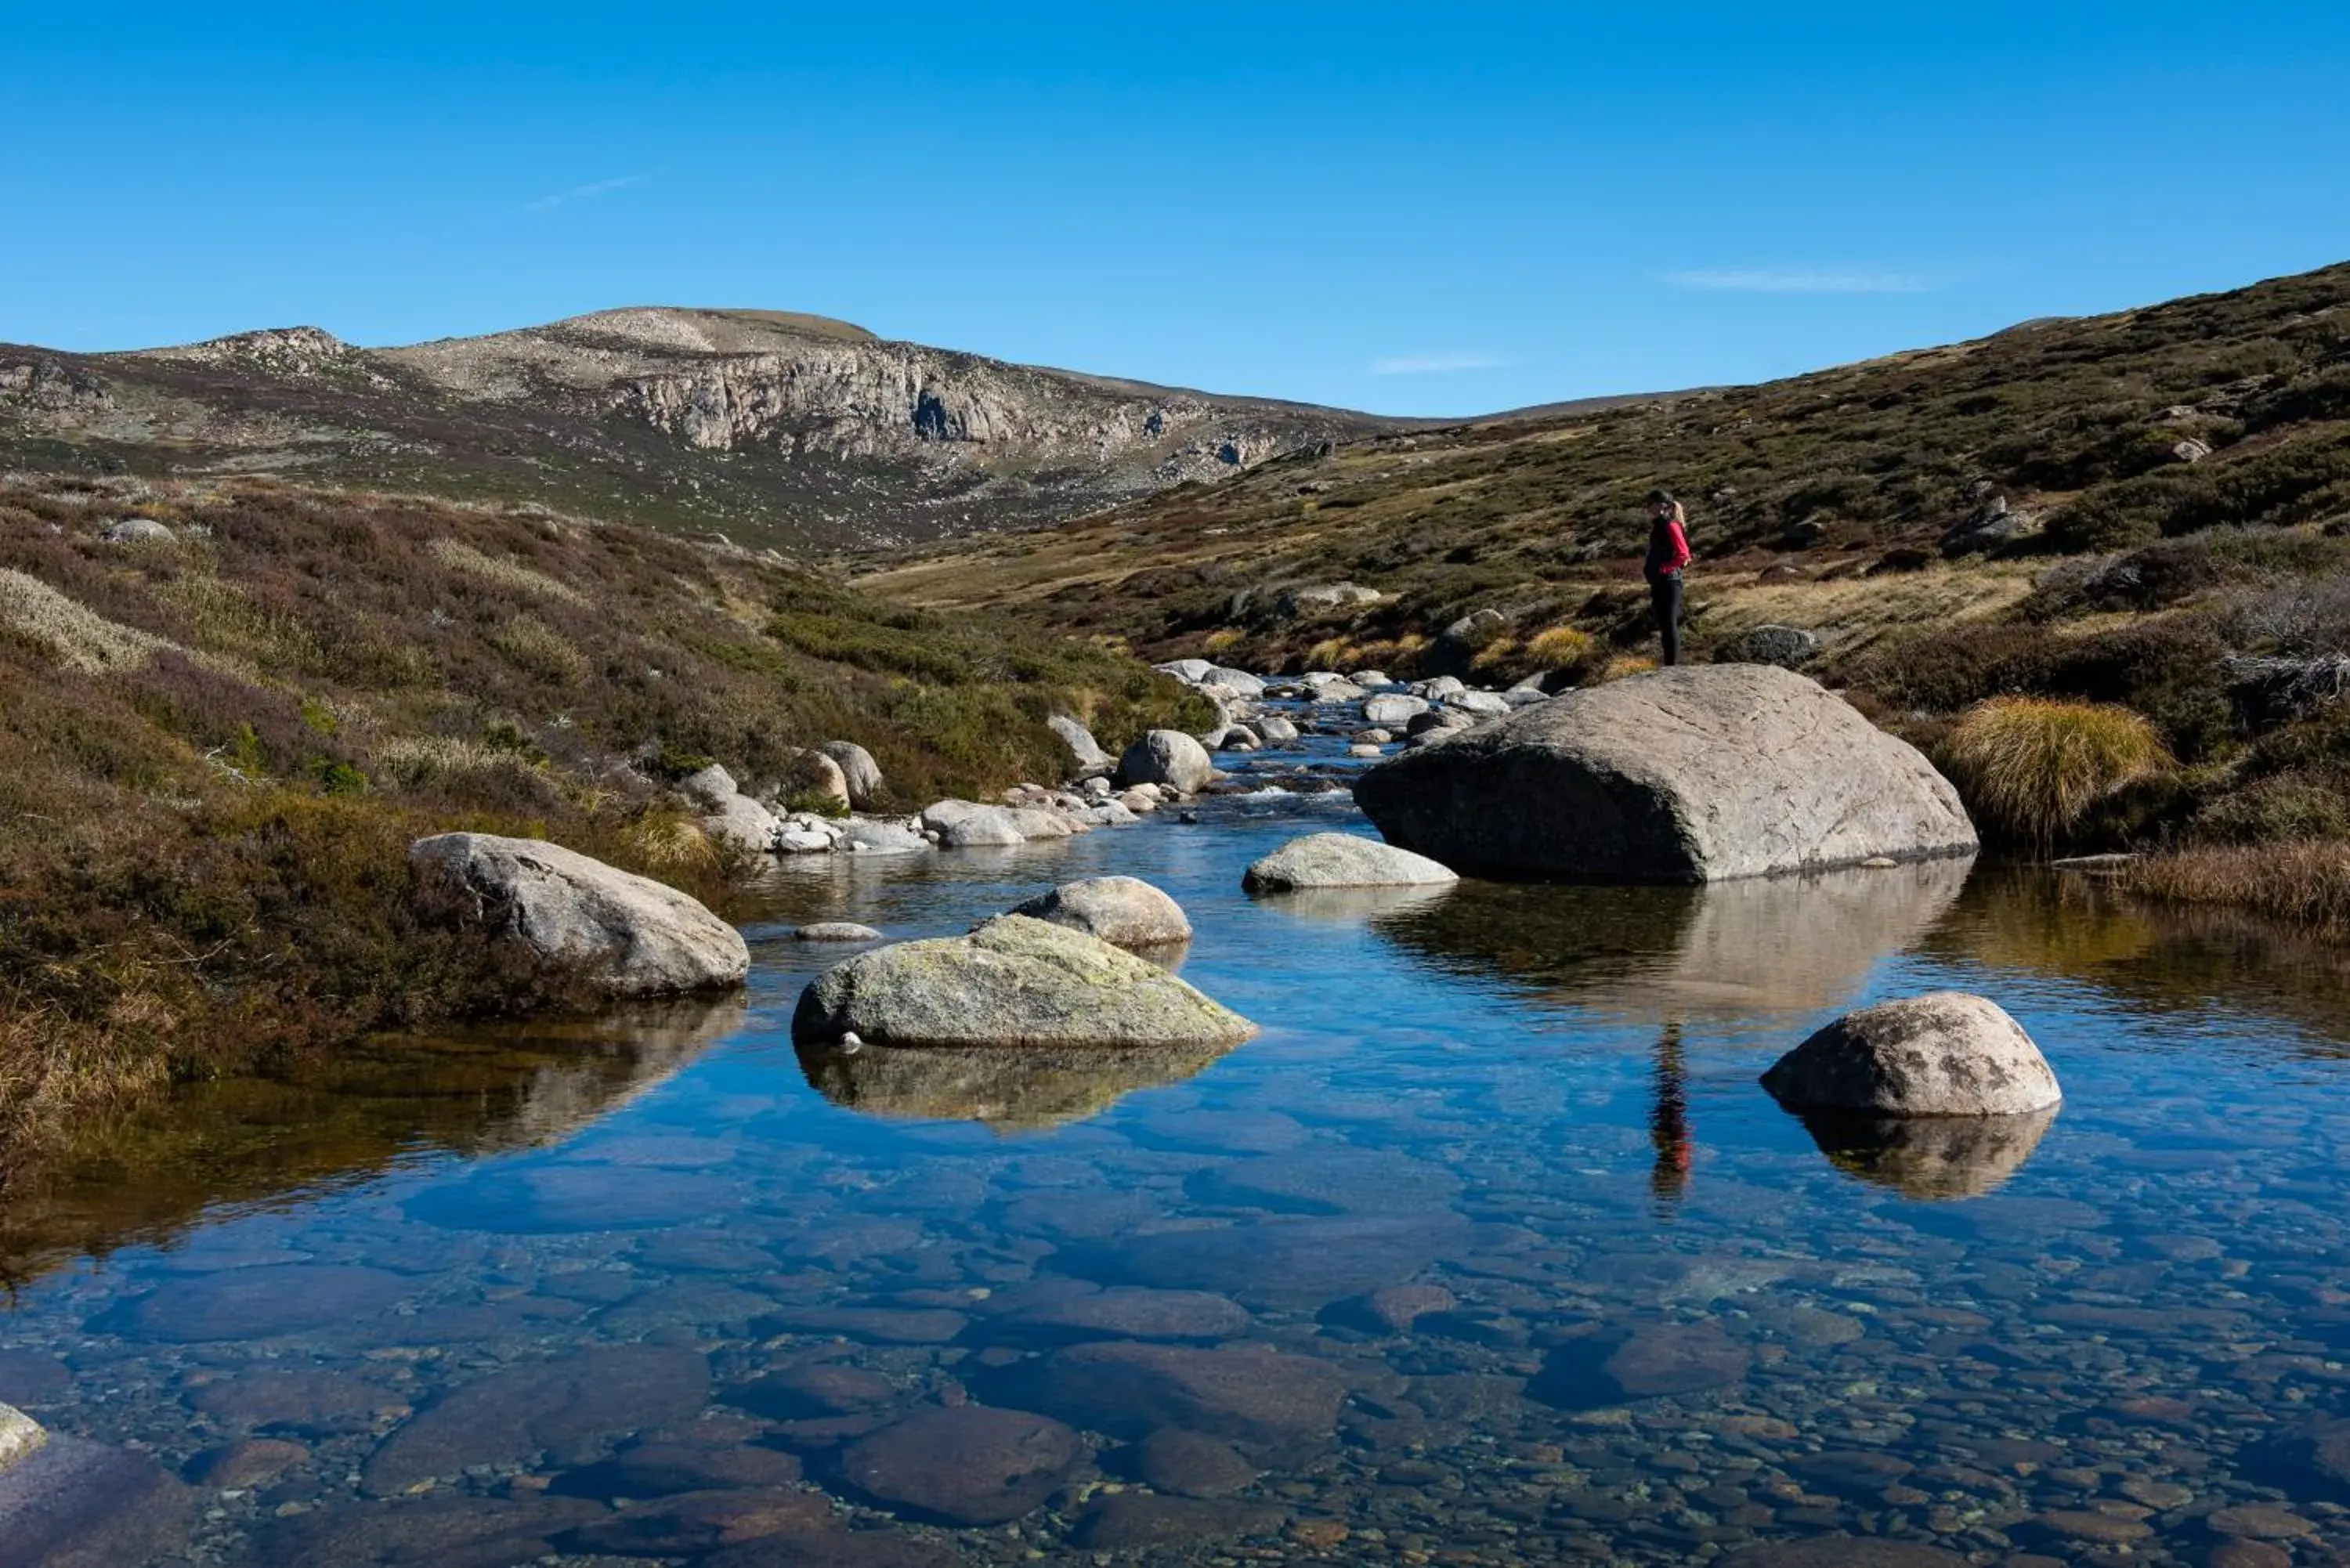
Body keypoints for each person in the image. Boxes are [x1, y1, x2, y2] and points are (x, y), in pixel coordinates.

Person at [1643, 489, 1690, 667]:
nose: (1648, 507)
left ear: (1661, 505)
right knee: (1664, 624)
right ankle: (1669, 664)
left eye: (1651, 503)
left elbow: (1684, 554)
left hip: (1670, 582)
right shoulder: (1659, 526)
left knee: (1670, 624)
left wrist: (1664, 569)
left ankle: (1673, 665)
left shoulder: (1670, 525)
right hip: (1660, 582)